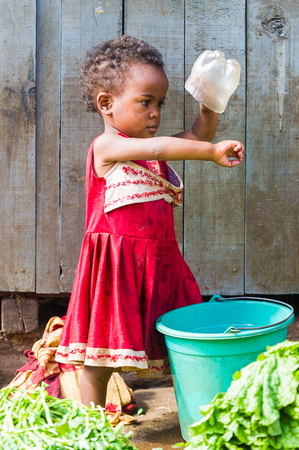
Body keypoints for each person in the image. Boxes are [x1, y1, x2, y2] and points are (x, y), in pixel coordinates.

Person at [56, 35, 245, 408]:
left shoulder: (148, 155)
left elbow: (198, 134)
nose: (156, 112)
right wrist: (210, 153)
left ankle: (199, 412)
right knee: (101, 357)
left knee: (182, 340)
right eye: (146, 102)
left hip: (159, 263)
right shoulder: (107, 148)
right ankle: (92, 425)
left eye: (160, 103)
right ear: (106, 104)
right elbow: (165, 146)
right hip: (117, 269)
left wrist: (210, 102)